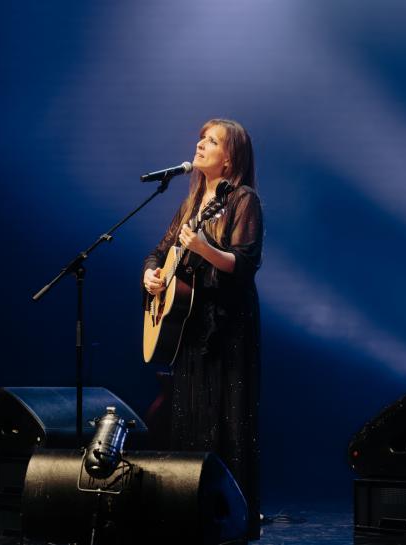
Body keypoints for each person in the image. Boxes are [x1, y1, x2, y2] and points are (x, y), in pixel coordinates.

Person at [142, 118, 263, 541]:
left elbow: (244, 264)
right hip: (190, 327)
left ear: (229, 159)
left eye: (211, 141)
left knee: (225, 418)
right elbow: (160, 252)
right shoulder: (193, 199)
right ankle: (191, 512)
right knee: (190, 414)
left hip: (226, 326)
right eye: (201, 138)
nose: (200, 145)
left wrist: (203, 248)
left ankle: (231, 519)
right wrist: (151, 275)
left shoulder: (243, 199)